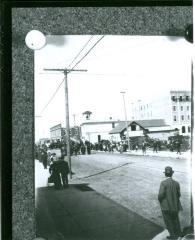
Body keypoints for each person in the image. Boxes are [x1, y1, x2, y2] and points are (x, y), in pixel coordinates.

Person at [158, 166, 182, 239]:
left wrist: (161, 201)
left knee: (169, 221)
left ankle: (173, 236)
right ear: (172, 174)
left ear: (165, 174)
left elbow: (160, 195)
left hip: (166, 206)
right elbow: (179, 195)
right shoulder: (176, 183)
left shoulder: (163, 183)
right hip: (175, 205)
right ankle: (179, 234)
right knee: (175, 220)